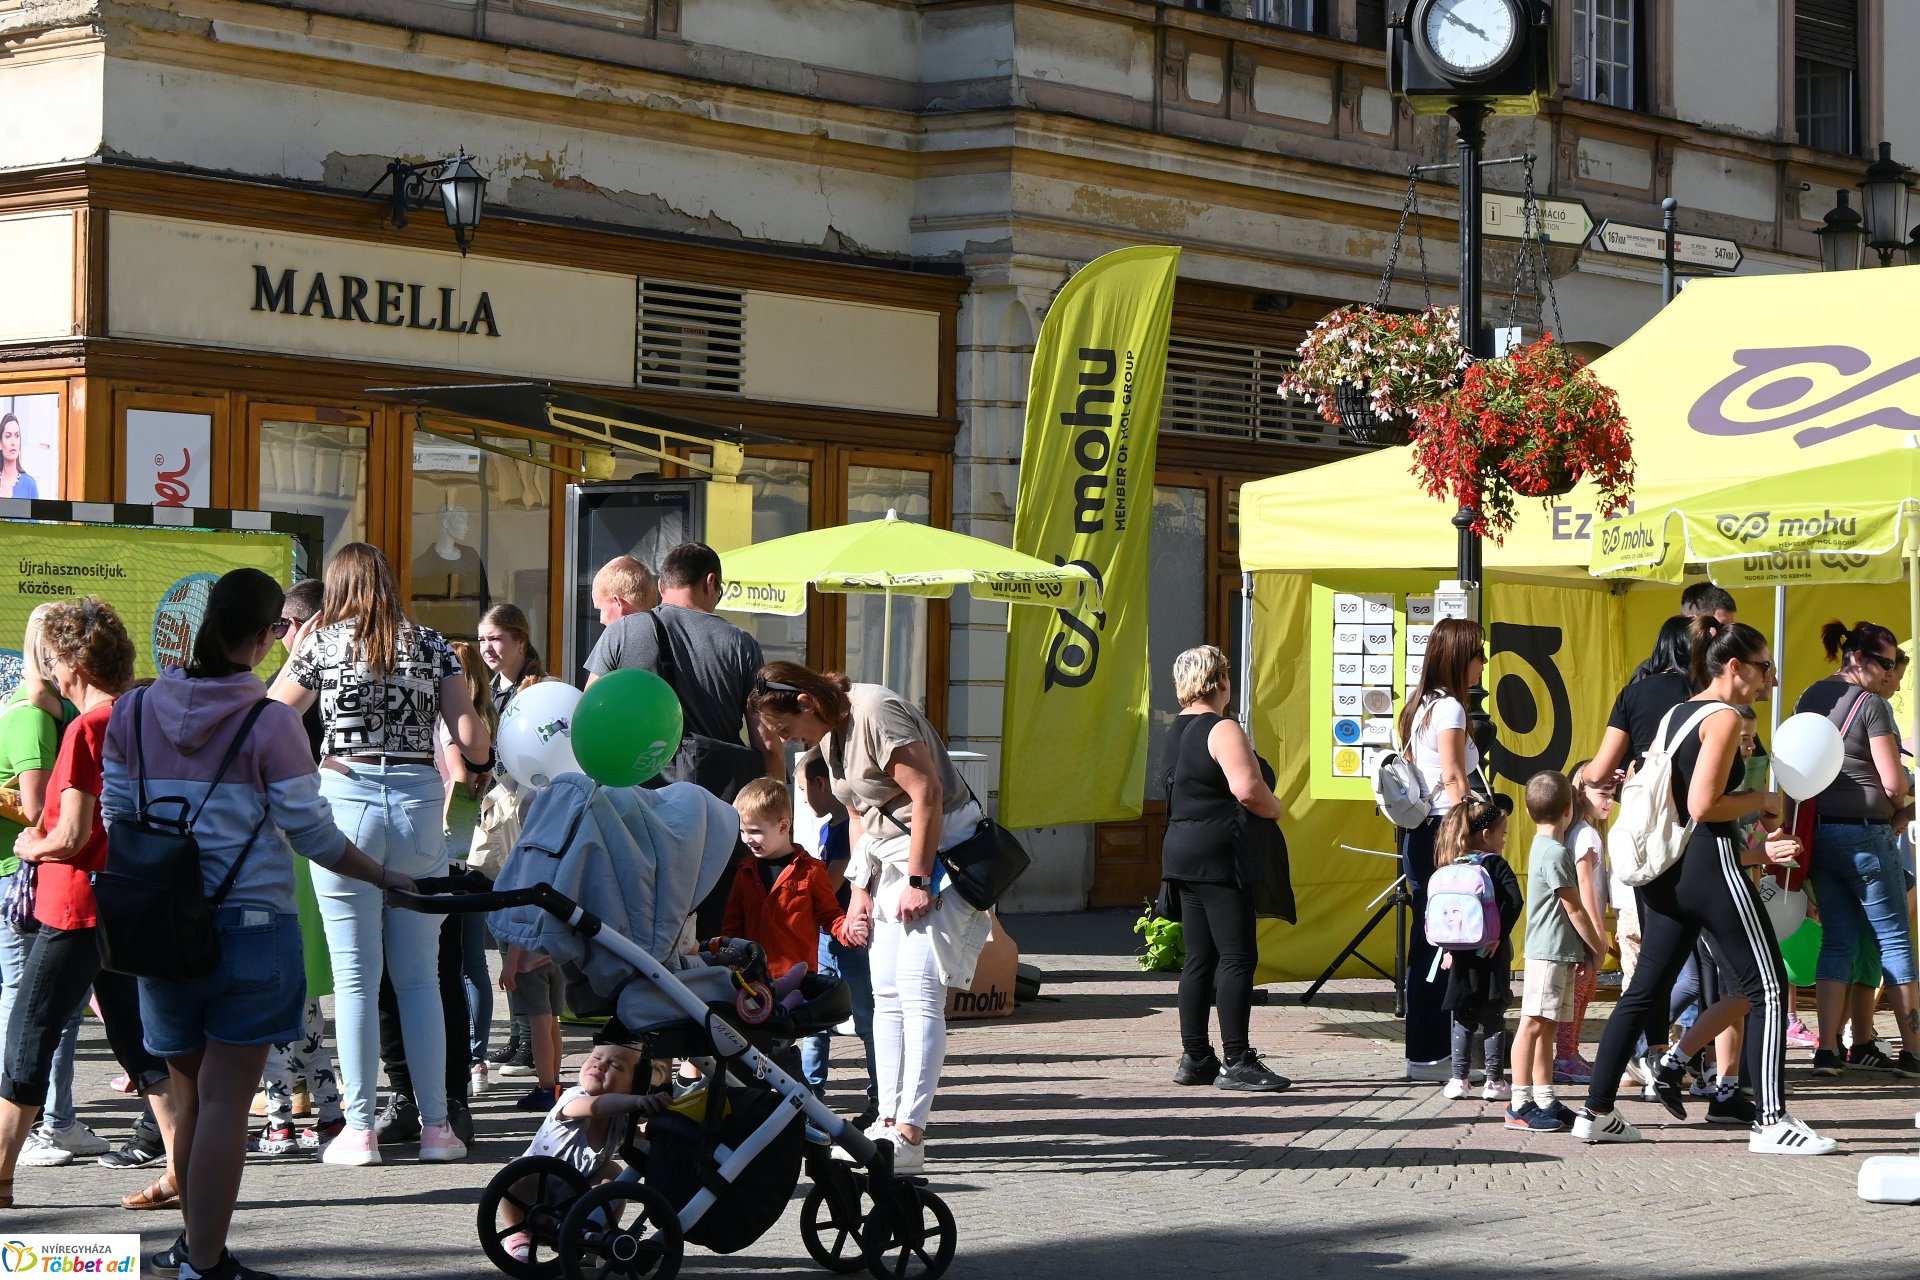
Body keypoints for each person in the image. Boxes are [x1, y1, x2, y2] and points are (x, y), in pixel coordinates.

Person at [104, 569, 415, 1279]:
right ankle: (206, 1261)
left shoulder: (136, 709)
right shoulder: (271, 722)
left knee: (189, 1097)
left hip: (158, 929)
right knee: (224, 1104)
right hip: (250, 923)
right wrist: (384, 875)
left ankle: (194, 1248)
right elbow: (312, 834)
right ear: (267, 636)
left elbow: (118, 815)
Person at [1574, 617, 1835, 1156]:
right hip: (1706, 861)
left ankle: (1595, 1111)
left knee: (1645, 989)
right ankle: (1772, 1120)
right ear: (1733, 667)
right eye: (1765, 668)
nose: (1771, 679)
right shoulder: (1720, 717)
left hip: (1663, 868)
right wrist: (1761, 801)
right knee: (1764, 986)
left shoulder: (1676, 713)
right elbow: (1702, 805)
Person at [269, 543, 493, 1167]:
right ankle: (439, 1129)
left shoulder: (321, 645)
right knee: (420, 978)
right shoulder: (429, 643)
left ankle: (361, 1130)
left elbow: (269, 717)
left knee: (355, 979)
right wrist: (470, 751)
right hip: (420, 807)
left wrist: (297, 652)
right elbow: (470, 738)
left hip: (344, 801)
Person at [748, 662, 991, 1174]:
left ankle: (911, 1131)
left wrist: (921, 881)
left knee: (920, 991)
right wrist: (859, 891)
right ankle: (885, 1119)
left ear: (806, 703)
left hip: (940, 853)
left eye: (787, 730)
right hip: (886, 862)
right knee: (884, 995)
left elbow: (927, 793)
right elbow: (858, 816)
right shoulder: (832, 738)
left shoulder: (874, 710)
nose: (789, 742)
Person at [0, 597, 179, 1211]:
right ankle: (181, 1166)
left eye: (51, 657)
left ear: (70, 663)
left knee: (29, 1034)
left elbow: (71, 835)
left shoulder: (84, 729)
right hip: (128, 902)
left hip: (76, 904)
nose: (47, 668)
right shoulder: (139, 716)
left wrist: (31, 842)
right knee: (137, 1039)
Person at [586, 543, 779, 935]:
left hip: (639, 802)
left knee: (643, 922)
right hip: (718, 814)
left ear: (661, 585)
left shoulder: (624, 631)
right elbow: (768, 739)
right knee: (714, 931)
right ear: (711, 583)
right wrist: (776, 802)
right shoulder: (741, 645)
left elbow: (588, 714)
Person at [1154, 645, 1289, 1093]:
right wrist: (1277, 809)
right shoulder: (1222, 727)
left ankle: (1196, 1056)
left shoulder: (1177, 729)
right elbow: (1248, 790)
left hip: (1182, 852)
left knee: (1199, 958)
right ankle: (1237, 1060)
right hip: (1220, 854)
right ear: (1220, 683)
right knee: (1236, 957)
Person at [0, 606, 102, 1167]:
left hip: (59, 884)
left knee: (38, 1011)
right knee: (32, 1010)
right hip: (39, 885)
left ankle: (47, 1125)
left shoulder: (67, 716)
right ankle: (50, 1125)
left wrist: (40, 841)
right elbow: (46, 814)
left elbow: (62, 823)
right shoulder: (38, 717)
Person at [1796, 619, 1920, 1077]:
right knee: (1895, 940)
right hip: (1866, 834)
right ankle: (1914, 1049)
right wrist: (1907, 789)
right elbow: (1892, 782)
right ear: (1860, 660)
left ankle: (1827, 1049)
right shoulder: (1870, 704)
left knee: (1838, 942)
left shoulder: (1809, 697)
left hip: (1820, 833)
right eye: (1886, 664)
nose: (1890, 675)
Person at [1398, 617, 1486, 1081]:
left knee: (1427, 943)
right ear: (1459, 657)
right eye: (1478, 655)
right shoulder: (1449, 708)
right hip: (1441, 832)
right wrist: (1468, 836)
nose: (1483, 665)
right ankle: (1435, 1052)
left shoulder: (1421, 705)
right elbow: (1454, 777)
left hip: (1422, 834)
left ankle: (1426, 1050)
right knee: (1445, 942)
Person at [475, 603, 554, 1085]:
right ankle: (521, 1030)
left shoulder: (539, 689)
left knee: (522, 915)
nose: (488, 647)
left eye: (497, 639)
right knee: (504, 916)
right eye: (483, 639)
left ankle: (529, 1033)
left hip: (528, 811)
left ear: (521, 642)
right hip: (499, 810)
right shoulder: (492, 689)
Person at [498, 1044, 665, 1263]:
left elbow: (644, 1130)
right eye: (596, 1056)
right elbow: (597, 1106)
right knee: (518, 1168)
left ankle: (600, 1240)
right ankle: (519, 1235)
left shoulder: (619, 1119)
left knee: (614, 1173)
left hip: (578, 1200)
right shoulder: (573, 1098)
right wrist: (637, 1102)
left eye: (614, 1065)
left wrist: (665, 1123)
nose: (600, 1064)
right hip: (536, 1195)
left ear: (631, 1087)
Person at [1508, 773, 1606, 1133]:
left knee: (1548, 1025)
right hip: (1548, 953)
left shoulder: (1543, 848)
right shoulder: (1556, 853)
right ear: (1569, 810)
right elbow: (1575, 909)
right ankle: (1519, 1101)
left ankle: (1545, 1097)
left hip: (1558, 952)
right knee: (1533, 1023)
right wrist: (1598, 945)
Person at [722, 777, 864, 988]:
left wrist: (847, 930)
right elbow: (733, 923)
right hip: (753, 980)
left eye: (755, 831)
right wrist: (728, 958)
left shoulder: (812, 871)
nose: (746, 839)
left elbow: (830, 914)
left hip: (798, 980)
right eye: (742, 831)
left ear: (783, 826)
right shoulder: (745, 871)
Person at [800, 753, 877, 1123]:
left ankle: (880, 1098)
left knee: (867, 1020)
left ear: (821, 784)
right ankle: (811, 1099)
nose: (803, 798)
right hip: (824, 938)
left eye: (803, 789)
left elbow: (830, 885)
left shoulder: (850, 828)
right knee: (815, 1023)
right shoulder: (830, 827)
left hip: (850, 939)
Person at [1435, 794, 1521, 1107]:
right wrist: (1499, 935)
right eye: (1503, 834)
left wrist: (1448, 948)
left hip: (1460, 953)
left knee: (1463, 1014)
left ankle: (1459, 1078)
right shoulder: (1495, 864)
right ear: (1486, 835)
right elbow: (1515, 901)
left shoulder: (1453, 865)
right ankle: (1495, 1081)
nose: (1503, 840)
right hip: (1492, 953)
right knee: (1493, 1016)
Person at [1553, 762, 1614, 1085]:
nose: (1609, 801)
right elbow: (1585, 884)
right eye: (1602, 793)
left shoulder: (1582, 831)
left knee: (1584, 991)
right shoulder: (1586, 834)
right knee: (1577, 994)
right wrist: (1597, 934)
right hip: (1582, 930)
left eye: (1612, 794)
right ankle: (1564, 1056)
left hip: (1581, 929)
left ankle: (1569, 1053)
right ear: (1581, 793)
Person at [591, 555, 659, 624]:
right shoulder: (665, 630)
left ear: (618, 603)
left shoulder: (616, 634)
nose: (601, 620)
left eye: (600, 609)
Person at [0, 414, 36, 500]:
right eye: (8, 436)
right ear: (0, 444)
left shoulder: (30, 485)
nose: (13, 442)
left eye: (17, 436)